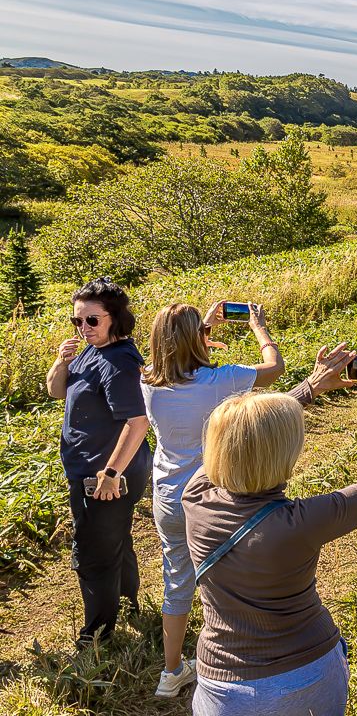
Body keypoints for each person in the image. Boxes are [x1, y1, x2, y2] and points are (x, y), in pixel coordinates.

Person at [183, 348, 357, 715]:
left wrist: (310, 387)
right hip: (305, 673)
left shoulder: (195, 497)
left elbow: (240, 435)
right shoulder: (299, 522)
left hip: (221, 685)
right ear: (284, 454)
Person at [140, 301, 287, 697]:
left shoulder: (148, 382)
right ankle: (234, 655)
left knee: (177, 580)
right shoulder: (220, 380)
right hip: (210, 496)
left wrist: (203, 325)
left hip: (168, 495)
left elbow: (178, 353)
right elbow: (274, 368)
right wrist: (259, 328)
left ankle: (171, 672)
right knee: (227, 578)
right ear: (195, 341)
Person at [45, 277, 151, 647]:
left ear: (115, 318)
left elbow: (138, 422)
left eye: (92, 320)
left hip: (105, 475)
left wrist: (111, 473)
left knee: (93, 553)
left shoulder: (118, 362)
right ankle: (128, 601)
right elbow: (56, 391)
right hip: (95, 470)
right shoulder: (91, 351)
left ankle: (97, 634)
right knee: (115, 538)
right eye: (77, 320)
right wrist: (61, 361)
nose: (83, 328)